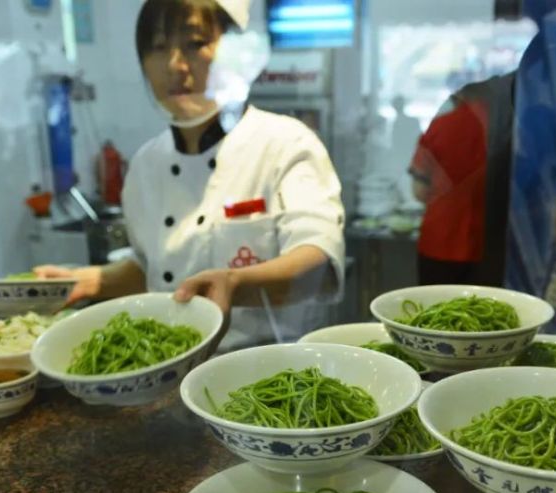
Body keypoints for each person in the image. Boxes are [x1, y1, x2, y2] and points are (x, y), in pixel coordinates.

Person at [36, 0, 344, 350]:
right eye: (158, 47)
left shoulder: (284, 143)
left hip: (272, 367)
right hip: (169, 367)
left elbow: (318, 263)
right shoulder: (145, 164)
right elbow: (155, 270)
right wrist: (87, 281)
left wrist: (234, 284)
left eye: (195, 44)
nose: (175, 65)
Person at [409, 72, 515, 287]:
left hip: (440, 242)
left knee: (436, 305)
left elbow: (420, 191)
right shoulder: (504, 130)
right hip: (486, 246)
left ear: (458, 95)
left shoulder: (442, 125)